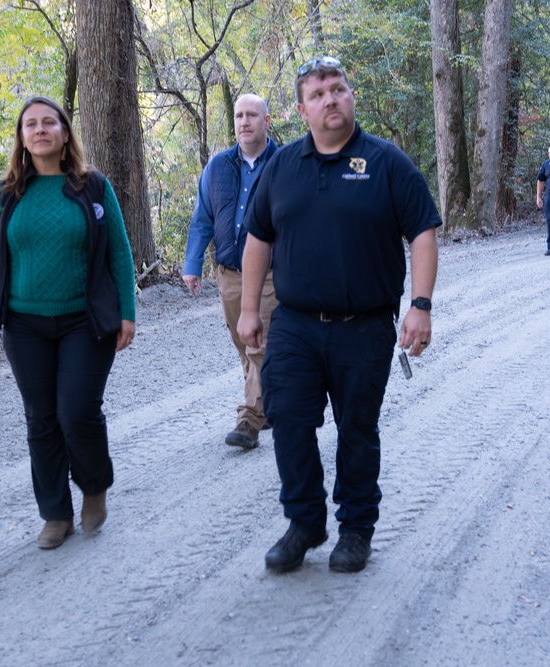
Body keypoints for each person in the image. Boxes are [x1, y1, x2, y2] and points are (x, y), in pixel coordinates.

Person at [237, 56, 440, 574]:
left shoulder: (387, 162)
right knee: (287, 421)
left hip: (364, 327)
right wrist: (248, 309)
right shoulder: (283, 167)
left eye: (338, 89)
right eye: (318, 93)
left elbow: (421, 232)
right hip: (296, 323)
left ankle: (355, 530)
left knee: (357, 429)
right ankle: (305, 522)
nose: (330, 99)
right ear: (302, 109)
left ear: (351, 96)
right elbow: (259, 237)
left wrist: (420, 305)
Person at [0, 96, 137, 550]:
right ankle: (54, 514)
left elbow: (120, 253)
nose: (40, 130)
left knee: (77, 411)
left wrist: (128, 312)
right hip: (25, 325)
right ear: (22, 139)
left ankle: (94, 485)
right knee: (41, 419)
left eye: (50, 122)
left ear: (65, 133)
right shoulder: (5, 195)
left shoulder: (93, 187)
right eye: (31, 125)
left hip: (86, 321)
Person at [183, 93, 280, 450]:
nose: (244, 122)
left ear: (266, 121)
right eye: (239, 115)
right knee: (244, 344)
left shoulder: (284, 163)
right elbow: (202, 219)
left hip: (271, 274)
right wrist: (193, 265)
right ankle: (265, 402)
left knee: (258, 344)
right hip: (228, 272)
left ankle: (249, 419)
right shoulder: (217, 167)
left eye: (252, 115)